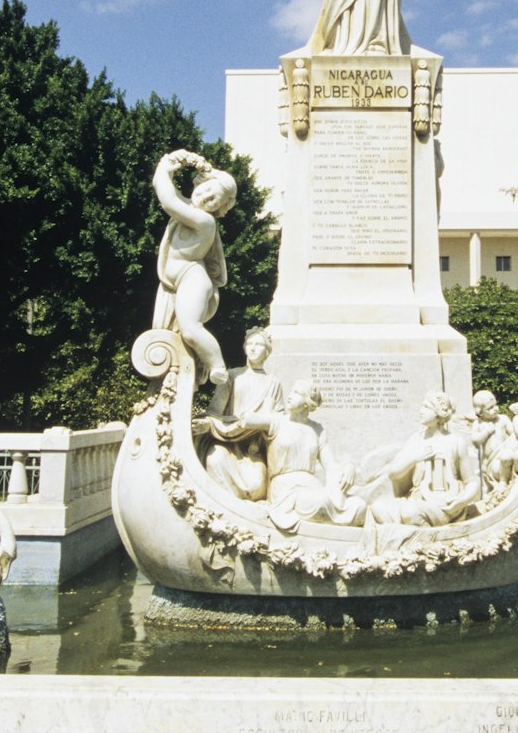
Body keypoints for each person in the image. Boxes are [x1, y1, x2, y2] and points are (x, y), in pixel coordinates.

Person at [198, 379, 366, 532]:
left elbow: (331, 467)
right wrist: (211, 425)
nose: (290, 396)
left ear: (308, 403)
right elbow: (239, 423)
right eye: (291, 391)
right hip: (286, 488)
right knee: (320, 503)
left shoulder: (317, 429)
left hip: (311, 486)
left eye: (297, 393)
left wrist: (349, 466)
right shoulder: (276, 421)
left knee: (360, 506)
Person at [151, 149, 237, 388]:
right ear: (202, 182)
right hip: (178, 281)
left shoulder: (204, 221)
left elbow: (168, 200)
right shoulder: (190, 208)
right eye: (208, 190)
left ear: (217, 209)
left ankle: (217, 366)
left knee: (190, 329)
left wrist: (165, 165)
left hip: (192, 278)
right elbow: (173, 195)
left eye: (214, 201)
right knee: (181, 335)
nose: (207, 198)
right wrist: (176, 162)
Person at [199, 328, 285, 502]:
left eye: (259, 345)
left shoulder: (273, 383)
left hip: (253, 449)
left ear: (267, 352)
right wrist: (208, 424)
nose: (253, 348)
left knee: (256, 486)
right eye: (250, 344)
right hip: (225, 441)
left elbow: (279, 421)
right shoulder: (232, 376)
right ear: (244, 348)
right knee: (215, 460)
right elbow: (214, 412)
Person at [370, 391, 479, 526]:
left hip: (446, 503)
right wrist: (414, 458)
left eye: (426, 407)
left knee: (409, 512)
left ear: (439, 413)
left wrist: (462, 500)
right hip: (418, 499)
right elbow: (393, 473)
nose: (421, 411)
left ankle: (421, 536)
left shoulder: (455, 441)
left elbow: (472, 482)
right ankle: (414, 533)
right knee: (378, 506)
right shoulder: (417, 439)